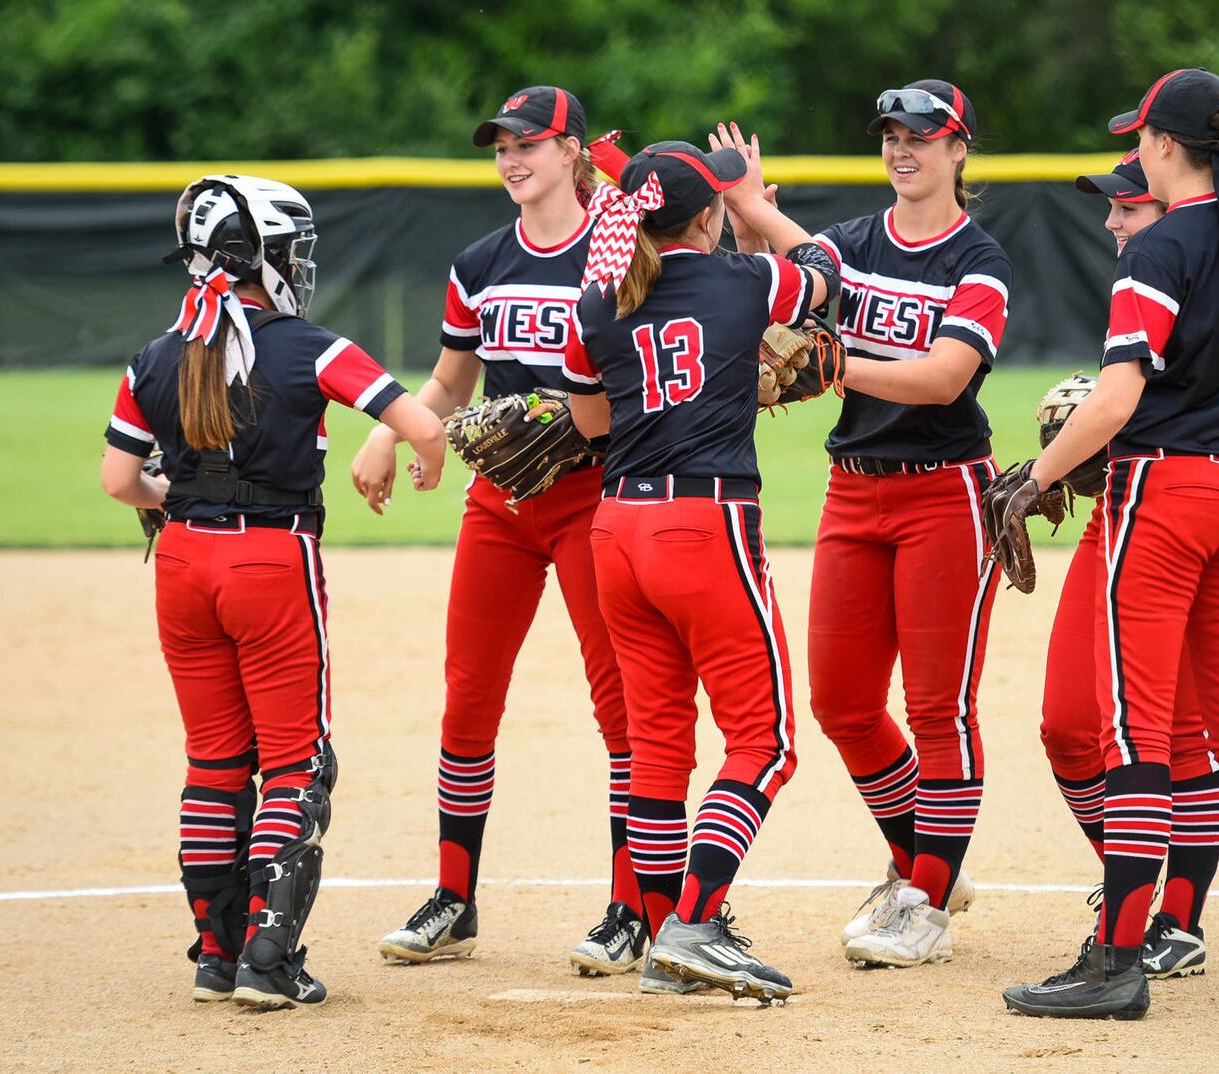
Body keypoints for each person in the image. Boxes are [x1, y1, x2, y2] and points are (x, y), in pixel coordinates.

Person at [1001, 69, 1219, 1019]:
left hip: (1170, 491)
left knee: (1137, 728)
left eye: (1140, 137)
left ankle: (1118, 962)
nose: (1135, 148)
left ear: (1162, 147)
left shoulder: (1157, 249)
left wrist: (1035, 477)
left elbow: (1115, 398)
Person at [100, 174, 448, 1009]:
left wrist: (178, 496)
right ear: (261, 256)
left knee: (215, 762)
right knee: (297, 761)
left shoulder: (156, 353)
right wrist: (424, 460)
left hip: (182, 564)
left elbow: (119, 481)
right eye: (293, 248)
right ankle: (269, 955)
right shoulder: (310, 345)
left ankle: (215, 956)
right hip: (271, 560)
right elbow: (422, 424)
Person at [351, 87, 644, 976]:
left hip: (595, 497)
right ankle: (454, 898)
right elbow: (448, 382)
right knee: (469, 694)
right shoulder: (480, 261)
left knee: (620, 705)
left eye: (530, 143)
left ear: (573, 151)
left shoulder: (620, 251)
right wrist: (388, 429)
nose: (512, 159)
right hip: (503, 506)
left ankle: (631, 908)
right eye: (501, 147)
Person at [560, 135, 834, 1001]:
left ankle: (665, 936)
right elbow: (828, 271)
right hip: (704, 522)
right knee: (765, 740)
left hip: (616, 526)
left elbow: (592, 422)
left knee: (657, 745)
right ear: (708, 214)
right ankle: (697, 922)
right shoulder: (745, 280)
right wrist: (757, 203)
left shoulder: (598, 300)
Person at [789, 81, 1015, 969]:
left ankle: (923, 898)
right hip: (854, 490)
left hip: (946, 494)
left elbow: (944, 377)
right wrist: (743, 205)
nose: (902, 147)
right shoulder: (854, 240)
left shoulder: (981, 258)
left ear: (959, 148)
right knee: (842, 700)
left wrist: (839, 360)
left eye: (922, 134)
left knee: (938, 707)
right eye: (890, 133)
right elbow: (801, 259)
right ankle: (931, 863)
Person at [1035, 148, 1219, 982]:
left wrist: (1136, 418)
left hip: (1184, 509)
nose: (1113, 222)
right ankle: (1131, 878)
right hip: (1116, 512)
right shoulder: (1147, 271)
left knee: (1182, 732)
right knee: (1069, 723)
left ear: (1174, 208)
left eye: (1129, 206)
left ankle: (1174, 919)